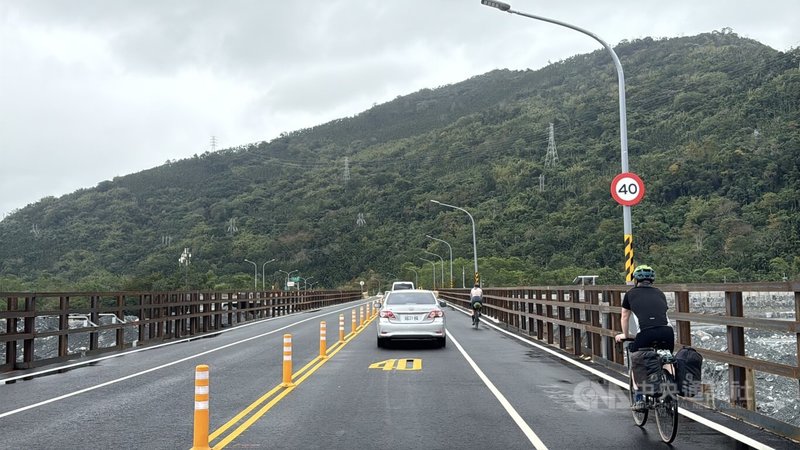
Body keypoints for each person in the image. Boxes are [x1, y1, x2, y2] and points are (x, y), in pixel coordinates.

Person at [614, 264, 674, 411]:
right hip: (667, 332)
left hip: (646, 332)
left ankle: (639, 399)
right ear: (652, 280)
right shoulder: (660, 293)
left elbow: (624, 316)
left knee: (636, 360)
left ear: (636, 280)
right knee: (666, 356)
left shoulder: (630, 294)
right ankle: (671, 389)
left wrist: (626, 335)